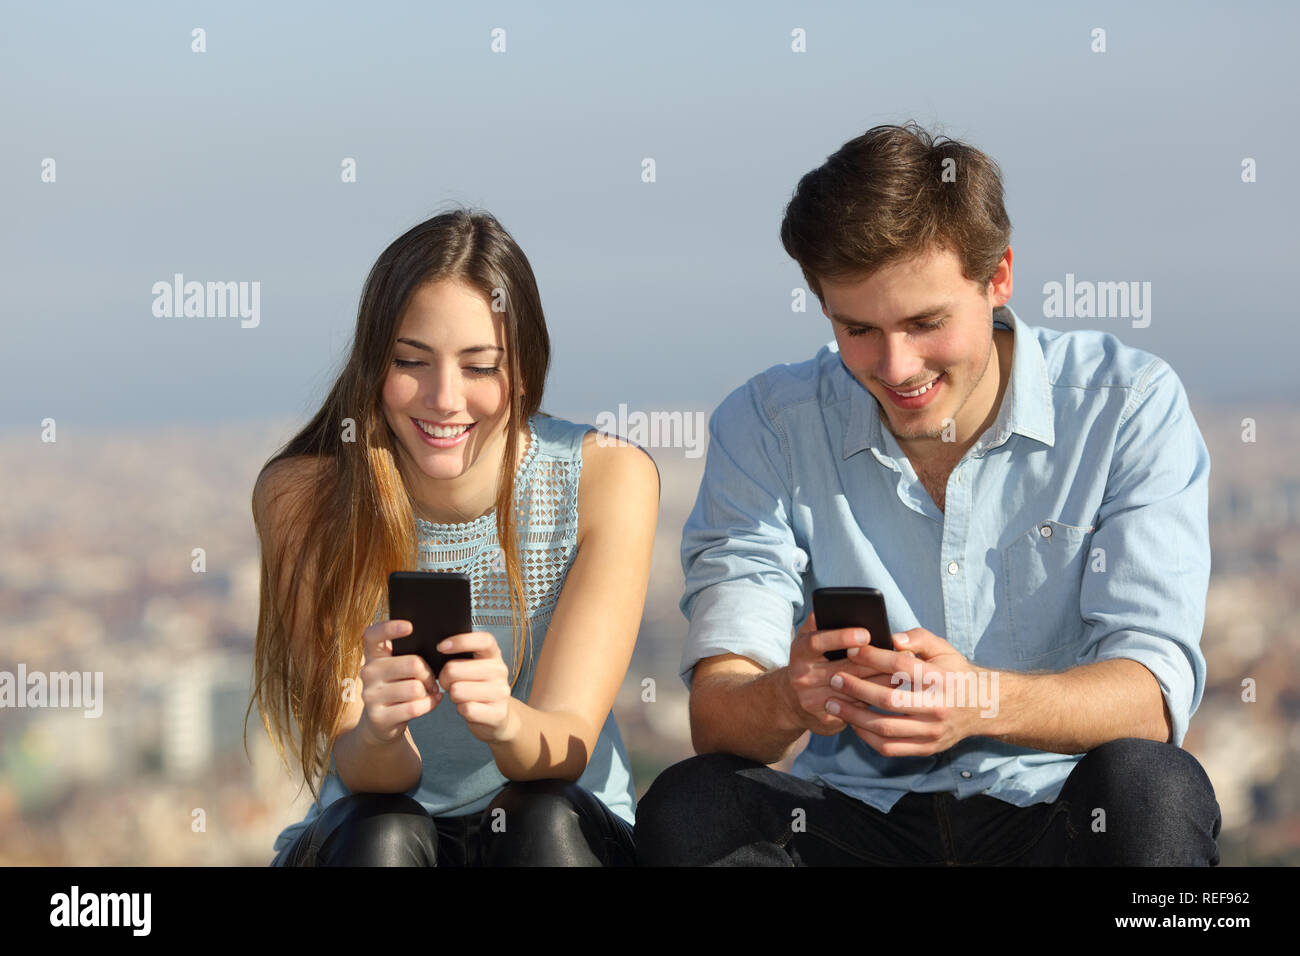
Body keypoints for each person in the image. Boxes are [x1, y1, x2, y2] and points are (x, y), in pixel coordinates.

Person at [634, 123, 1222, 866]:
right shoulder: (768, 425)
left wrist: (981, 701)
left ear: (999, 277)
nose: (896, 365)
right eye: (858, 329)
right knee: (690, 806)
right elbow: (719, 719)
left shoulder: (1126, 403)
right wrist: (791, 693)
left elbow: (1151, 697)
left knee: (1153, 788)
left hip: (1056, 818)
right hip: (852, 824)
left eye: (925, 322)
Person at [248, 208, 659, 866]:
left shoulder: (605, 479)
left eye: (479, 367)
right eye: (411, 361)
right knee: (382, 833)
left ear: (523, 373)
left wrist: (505, 720)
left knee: (542, 817)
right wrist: (381, 730)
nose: (444, 398)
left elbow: (567, 743)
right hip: (376, 827)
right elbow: (358, 766)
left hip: (556, 824)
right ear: (373, 365)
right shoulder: (304, 498)